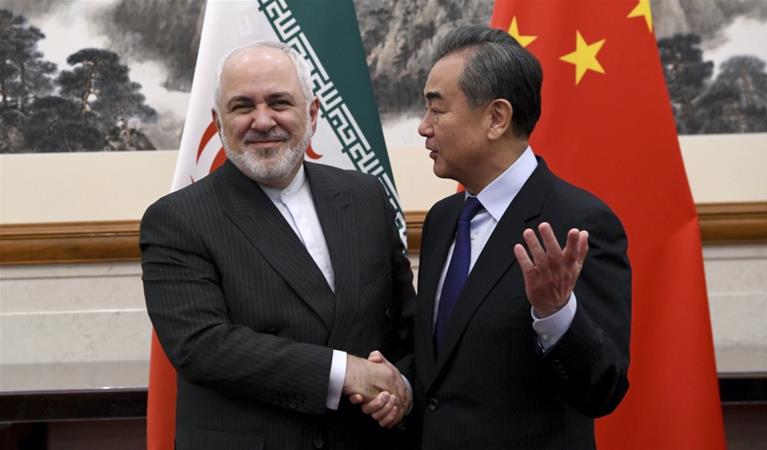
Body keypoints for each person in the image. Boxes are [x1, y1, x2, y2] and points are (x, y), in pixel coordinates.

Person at [139, 41, 414, 450]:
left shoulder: (364, 196)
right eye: (242, 106)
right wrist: (343, 372)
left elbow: (405, 324)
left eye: (279, 102)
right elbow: (203, 346)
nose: (262, 121)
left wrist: (400, 389)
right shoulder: (177, 219)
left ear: (313, 114)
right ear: (218, 121)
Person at [410, 25, 631, 449]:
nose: (424, 127)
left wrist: (557, 313)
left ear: (496, 118)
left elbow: (603, 389)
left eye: (437, 110)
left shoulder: (577, 224)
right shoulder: (442, 219)